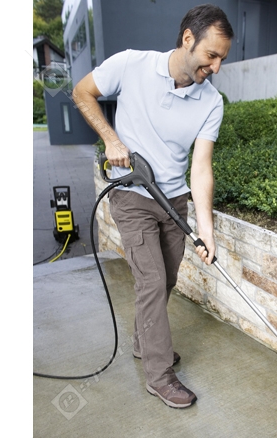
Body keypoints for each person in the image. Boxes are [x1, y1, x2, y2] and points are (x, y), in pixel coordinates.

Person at [72, 4, 233, 408]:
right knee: (152, 280)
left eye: (222, 59)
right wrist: (111, 139)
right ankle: (159, 376)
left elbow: (201, 168)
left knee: (168, 280)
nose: (216, 67)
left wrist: (206, 230)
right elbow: (82, 92)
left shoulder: (211, 102)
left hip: (174, 200)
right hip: (132, 194)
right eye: (211, 55)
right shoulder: (131, 65)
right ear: (188, 39)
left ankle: (144, 342)